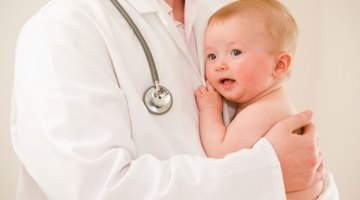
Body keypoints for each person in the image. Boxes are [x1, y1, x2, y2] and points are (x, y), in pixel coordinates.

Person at [12, 0, 324, 199]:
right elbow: (94, 190)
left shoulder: (228, 17)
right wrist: (265, 174)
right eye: (213, 56)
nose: (219, 62)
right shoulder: (64, 28)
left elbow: (304, 164)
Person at [195, 0, 338, 199]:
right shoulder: (273, 100)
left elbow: (221, 154)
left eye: (235, 52)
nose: (219, 65)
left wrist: (209, 109)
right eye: (211, 56)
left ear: (279, 65)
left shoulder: (264, 110)